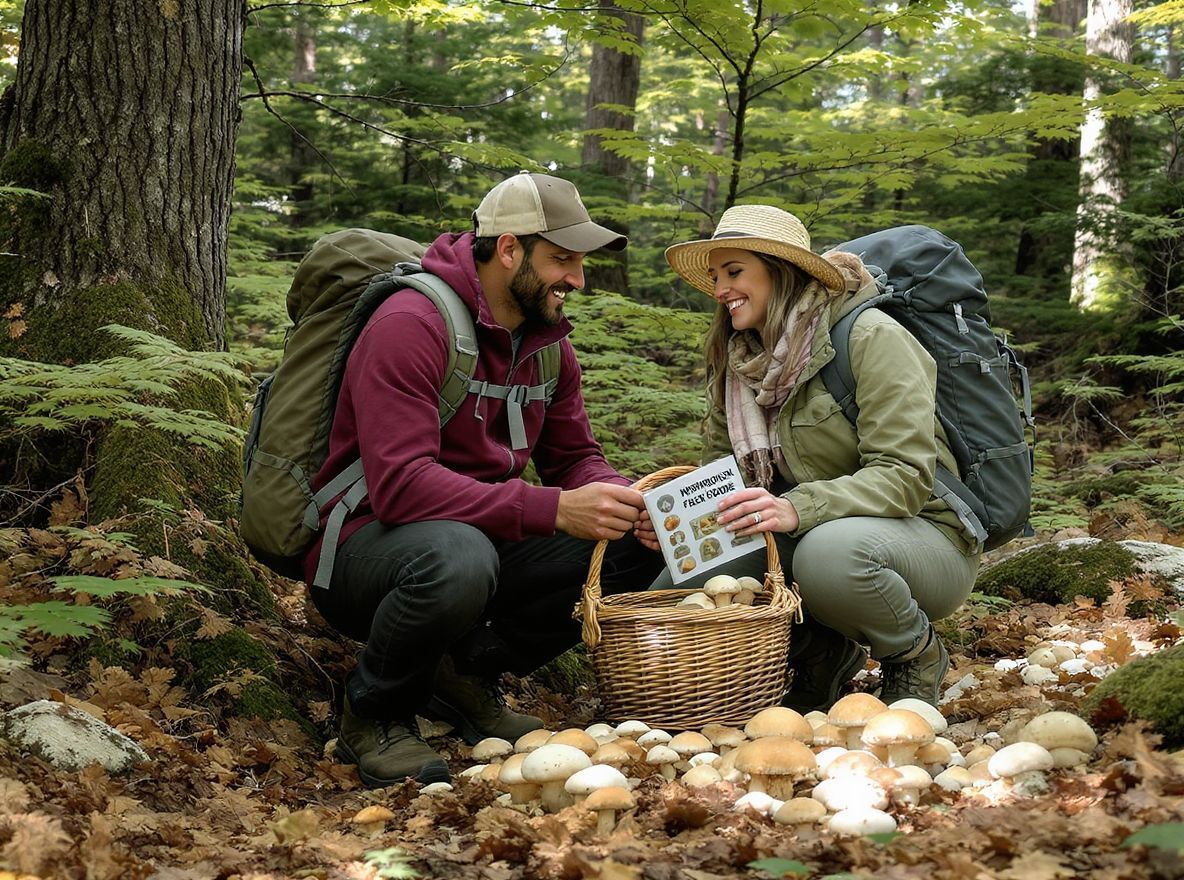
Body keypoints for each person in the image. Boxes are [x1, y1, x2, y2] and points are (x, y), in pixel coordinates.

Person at [306, 171, 662, 787]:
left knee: (631, 541)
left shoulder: (547, 342)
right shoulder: (410, 323)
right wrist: (552, 509)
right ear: (508, 249)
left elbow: (574, 455)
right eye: (563, 260)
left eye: (580, 262)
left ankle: (459, 676)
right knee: (458, 556)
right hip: (368, 547)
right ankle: (374, 712)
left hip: (477, 535)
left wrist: (623, 497)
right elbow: (402, 486)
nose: (577, 279)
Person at [656, 204, 981, 711]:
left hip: (923, 538)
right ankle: (820, 652)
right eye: (716, 276)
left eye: (735, 271)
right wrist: (678, 519)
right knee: (683, 583)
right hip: (802, 529)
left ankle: (915, 654)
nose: (720, 290)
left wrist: (798, 507)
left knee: (828, 555)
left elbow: (906, 477)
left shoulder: (871, 337)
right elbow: (721, 478)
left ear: (782, 271)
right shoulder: (739, 360)